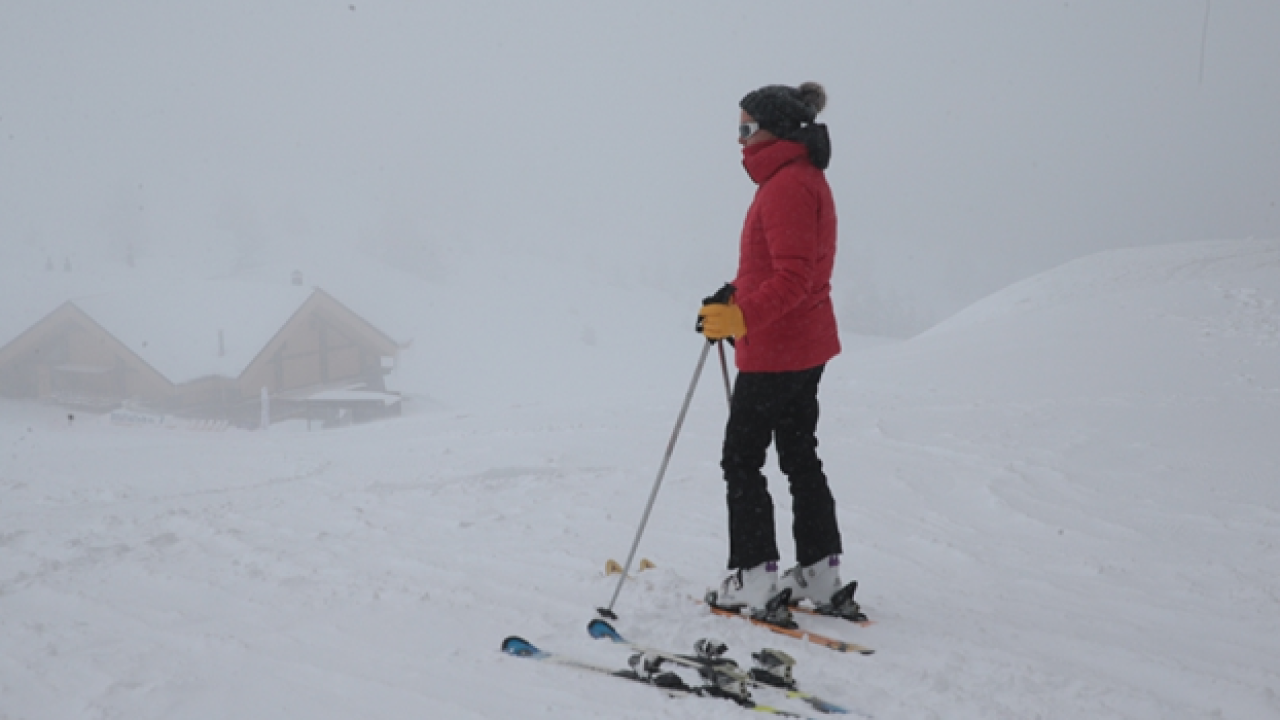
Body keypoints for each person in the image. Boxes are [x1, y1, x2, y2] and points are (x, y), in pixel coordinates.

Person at [698, 81, 860, 624]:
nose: (739, 140)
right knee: (798, 453)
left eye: (746, 129)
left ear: (775, 131)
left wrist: (741, 317)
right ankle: (818, 571)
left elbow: (794, 278)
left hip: (776, 349)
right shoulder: (799, 177)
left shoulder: (787, 184)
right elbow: (784, 268)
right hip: (802, 344)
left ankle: (756, 577)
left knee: (742, 458)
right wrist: (734, 295)